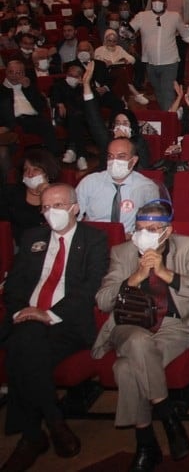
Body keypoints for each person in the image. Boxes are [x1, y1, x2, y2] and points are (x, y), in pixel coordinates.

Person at [92, 200, 189, 471]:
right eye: (140, 227)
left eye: (153, 228)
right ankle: (167, 415)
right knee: (138, 340)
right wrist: (133, 278)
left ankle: (146, 442)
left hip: (173, 326)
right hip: (128, 325)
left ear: (166, 231)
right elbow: (102, 300)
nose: (145, 233)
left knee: (125, 368)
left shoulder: (186, 246)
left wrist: (165, 273)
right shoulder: (122, 252)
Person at [0, 184, 108, 471]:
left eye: (58, 206)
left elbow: (90, 289)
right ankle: (53, 422)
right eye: (45, 208)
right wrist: (23, 311)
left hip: (67, 324)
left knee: (20, 347)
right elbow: (13, 285)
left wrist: (48, 313)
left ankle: (33, 436)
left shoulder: (95, 240)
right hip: (27, 320)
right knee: (27, 340)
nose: (51, 213)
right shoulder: (33, 237)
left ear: (74, 208)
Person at [76, 138, 161, 234]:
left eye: (121, 156)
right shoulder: (90, 182)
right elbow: (74, 217)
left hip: (129, 241)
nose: (114, 161)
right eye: (110, 156)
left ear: (133, 160)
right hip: (93, 239)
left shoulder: (146, 187)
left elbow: (153, 223)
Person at [130, 0, 189, 111]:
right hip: (150, 62)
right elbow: (128, 32)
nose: (157, 2)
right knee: (158, 90)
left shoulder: (174, 16)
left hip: (170, 61)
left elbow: (185, 33)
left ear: (165, 3)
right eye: (154, 0)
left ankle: (169, 119)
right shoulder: (142, 16)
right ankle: (169, 112)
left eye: (160, 0)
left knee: (167, 90)